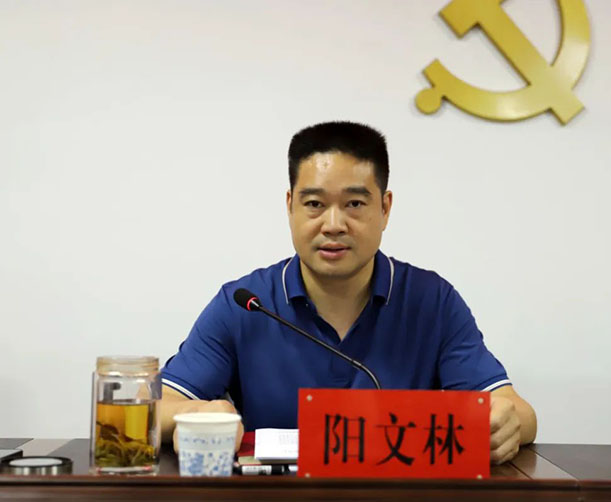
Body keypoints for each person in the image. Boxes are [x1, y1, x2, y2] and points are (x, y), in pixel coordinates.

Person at [159, 121, 537, 464]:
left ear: (385, 209)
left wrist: (505, 423)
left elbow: (517, 411)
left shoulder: (432, 301)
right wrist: (194, 414)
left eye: (354, 204)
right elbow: (157, 407)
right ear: (290, 207)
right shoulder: (246, 304)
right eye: (314, 204)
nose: (333, 224)